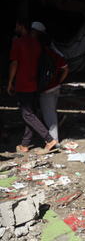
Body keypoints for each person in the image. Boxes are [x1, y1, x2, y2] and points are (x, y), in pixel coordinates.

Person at [7, 18, 57, 154]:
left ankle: (49, 139)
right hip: (34, 83)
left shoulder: (17, 42)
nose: (15, 29)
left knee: (27, 115)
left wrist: (10, 81)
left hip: (22, 84)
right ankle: (25, 144)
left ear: (22, 28)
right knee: (31, 114)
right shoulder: (36, 43)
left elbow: (14, 63)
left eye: (16, 26)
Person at [38, 32, 69, 148]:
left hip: (47, 90)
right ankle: (52, 139)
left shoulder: (42, 55)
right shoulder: (55, 54)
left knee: (50, 117)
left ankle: (53, 141)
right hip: (56, 87)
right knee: (52, 113)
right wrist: (59, 81)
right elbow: (66, 69)